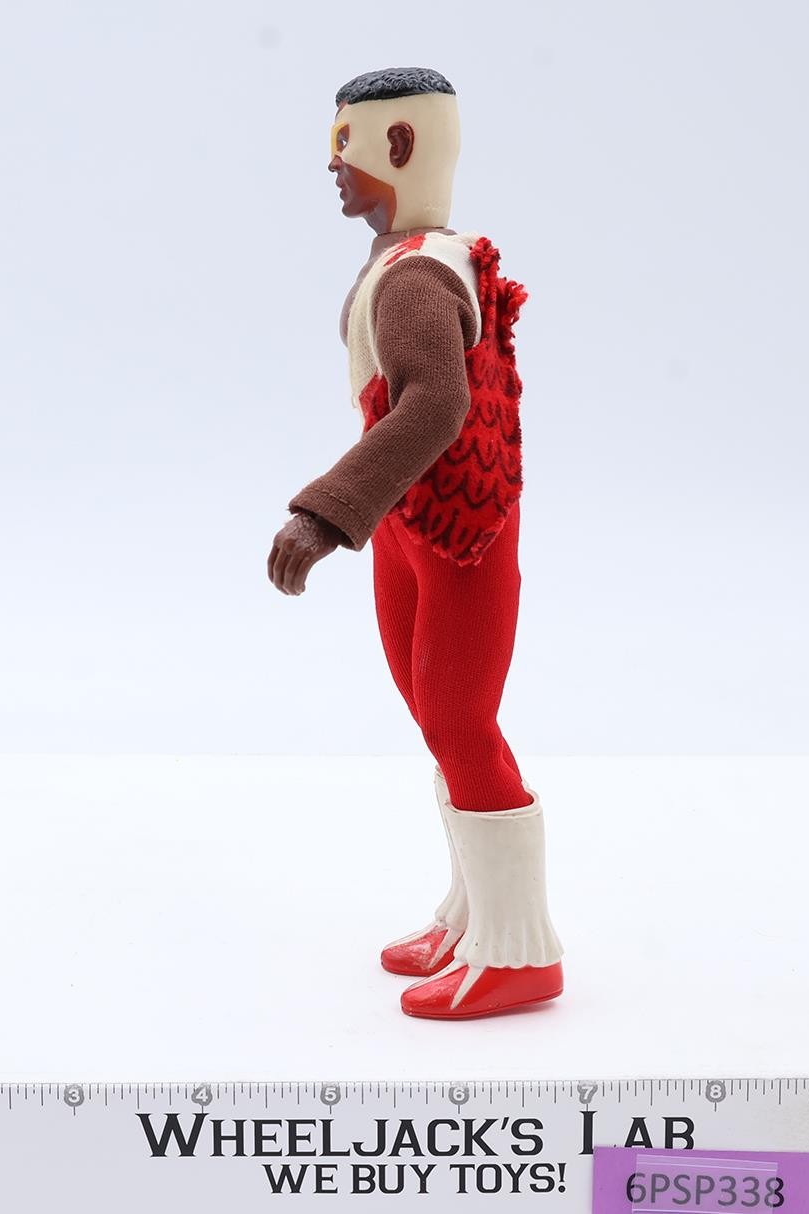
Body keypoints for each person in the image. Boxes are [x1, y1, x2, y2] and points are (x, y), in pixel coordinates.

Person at [267, 67, 563, 1020]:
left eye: (344, 144)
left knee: (461, 720)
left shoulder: (419, 276)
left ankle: (520, 954)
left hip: (457, 531)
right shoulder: (412, 258)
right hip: (410, 518)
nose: (332, 164)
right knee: (437, 717)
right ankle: (475, 916)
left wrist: (324, 513)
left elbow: (436, 403)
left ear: (399, 146)